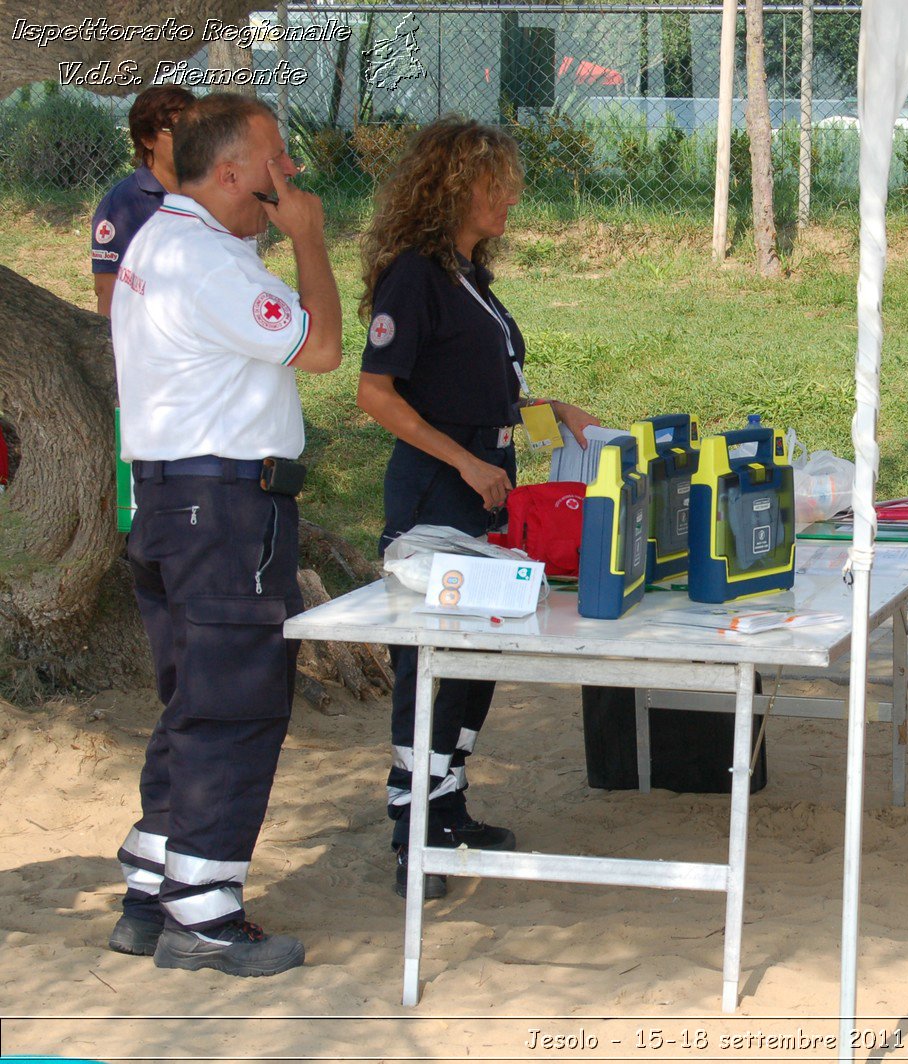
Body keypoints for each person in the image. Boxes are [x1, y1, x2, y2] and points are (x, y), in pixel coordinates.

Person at [108, 93, 343, 976]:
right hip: (225, 511)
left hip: (174, 501)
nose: (291, 174)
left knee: (193, 700)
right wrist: (309, 239)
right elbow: (321, 347)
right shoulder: (208, 262)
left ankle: (151, 881)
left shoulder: (165, 244)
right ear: (233, 171)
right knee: (235, 706)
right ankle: (203, 913)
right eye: (278, 159)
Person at [355, 119, 599, 899]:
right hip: (436, 499)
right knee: (429, 664)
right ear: (452, 186)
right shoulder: (415, 277)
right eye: (495, 184)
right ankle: (410, 830)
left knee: (477, 658)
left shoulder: (468, 278)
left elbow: (480, 395)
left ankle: (448, 804)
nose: (510, 197)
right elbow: (375, 394)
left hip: (487, 494)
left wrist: (550, 410)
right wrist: (461, 459)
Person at [91, 85, 196, 317]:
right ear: (147, 138)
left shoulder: (207, 193)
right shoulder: (121, 206)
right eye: (176, 129)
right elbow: (108, 294)